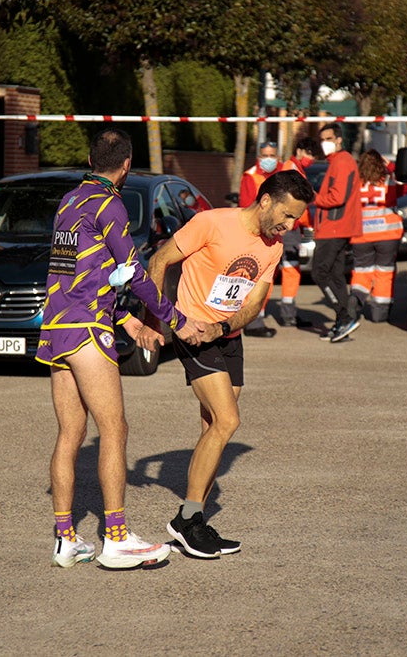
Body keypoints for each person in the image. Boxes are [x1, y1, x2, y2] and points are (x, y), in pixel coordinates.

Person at [36, 128, 203, 570]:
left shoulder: (69, 202)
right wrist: (177, 319)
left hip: (57, 327)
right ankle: (116, 538)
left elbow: (77, 272)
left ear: (91, 158)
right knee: (115, 429)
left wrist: (125, 318)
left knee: (70, 434)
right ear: (127, 164)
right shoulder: (110, 203)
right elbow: (134, 274)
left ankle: (66, 539)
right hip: (87, 330)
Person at [144, 170, 314, 558]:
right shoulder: (211, 222)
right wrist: (161, 320)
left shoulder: (272, 246)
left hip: (227, 335)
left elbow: (253, 304)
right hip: (192, 333)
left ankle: (194, 522)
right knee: (227, 421)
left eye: (296, 220)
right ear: (266, 200)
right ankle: (186, 519)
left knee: (212, 427)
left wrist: (222, 326)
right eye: (287, 216)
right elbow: (159, 260)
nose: (289, 226)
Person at [238, 141, 298, 338]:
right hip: (265, 231)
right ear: (258, 157)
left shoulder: (288, 172)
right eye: (265, 155)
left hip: (288, 230)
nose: (268, 159)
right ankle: (255, 318)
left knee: (291, 270)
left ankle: (289, 313)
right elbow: (247, 204)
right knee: (263, 275)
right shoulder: (250, 176)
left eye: (272, 155)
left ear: (278, 157)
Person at [311, 122, 362, 342]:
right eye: (323, 139)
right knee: (335, 275)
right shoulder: (339, 161)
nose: (325, 144)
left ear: (339, 140)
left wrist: (313, 198)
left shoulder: (341, 162)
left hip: (334, 227)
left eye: (329, 139)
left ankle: (345, 316)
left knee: (320, 272)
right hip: (337, 227)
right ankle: (343, 320)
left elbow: (337, 197)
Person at [347, 150, 404, 324]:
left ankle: (356, 297)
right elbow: (406, 186)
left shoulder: (355, 182)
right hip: (387, 235)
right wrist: (392, 167)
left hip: (361, 235)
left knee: (362, 271)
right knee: (384, 272)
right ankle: (380, 312)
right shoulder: (388, 180)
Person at [278, 137, 319, 327]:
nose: (311, 158)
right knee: (289, 269)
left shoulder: (296, 169)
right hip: (288, 227)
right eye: (309, 154)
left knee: (289, 269)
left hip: (291, 227)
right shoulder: (292, 169)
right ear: (300, 150)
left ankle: (288, 313)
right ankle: (287, 315)